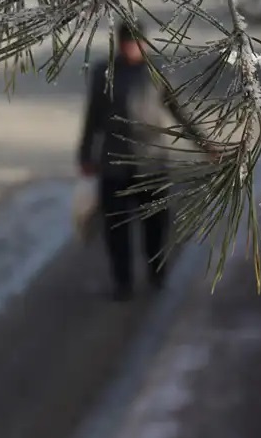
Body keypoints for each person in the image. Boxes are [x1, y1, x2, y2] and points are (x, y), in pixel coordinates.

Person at [78, 22, 212, 301]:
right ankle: (122, 282)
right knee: (116, 229)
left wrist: (205, 143)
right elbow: (93, 116)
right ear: (120, 43)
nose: (132, 48)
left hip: (151, 161)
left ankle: (157, 275)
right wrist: (85, 153)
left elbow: (180, 112)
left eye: (136, 43)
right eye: (127, 43)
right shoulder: (105, 73)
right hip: (114, 162)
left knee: (155, 226)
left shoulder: (156, 72)